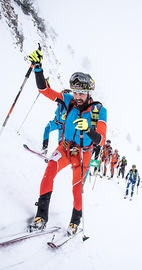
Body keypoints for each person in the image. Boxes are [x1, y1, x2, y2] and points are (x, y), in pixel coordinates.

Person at [28, 48, 107, 235]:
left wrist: (88, 129)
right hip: (65, 148)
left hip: (82, 154)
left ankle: (75, 221)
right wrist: (38, 68)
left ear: (89, 93)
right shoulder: (68, 100)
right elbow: (44, 90)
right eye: (76, 92)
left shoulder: (98, 111)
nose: (78, 97)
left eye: (82, 93)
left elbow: (101, 140)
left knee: (77, 189)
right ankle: (41, 216)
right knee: (49, 171)